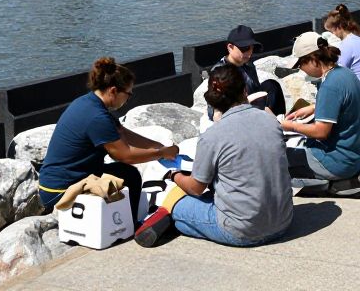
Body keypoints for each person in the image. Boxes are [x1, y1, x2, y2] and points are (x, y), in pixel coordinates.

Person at [134, 64, 293, 248]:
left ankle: (171, 218)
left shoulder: (213, 135)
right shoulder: (270, 120)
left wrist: (173, 175)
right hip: (283, 222)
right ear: (244, 90)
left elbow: (196, 188)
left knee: (176, 203)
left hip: (242, 231)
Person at [39, 57, 179, 225]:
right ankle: (131, 226)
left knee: (123, 172)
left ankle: (126, 221)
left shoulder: (89, 102)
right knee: (130, 175)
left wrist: (160, 147)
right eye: (128, 94)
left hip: (53, 182)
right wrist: (161, 154)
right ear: (113, 91)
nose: (128, 99)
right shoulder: (97, 117)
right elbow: (126, 156)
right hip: (59, 190)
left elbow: (124, 134)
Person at [280, 34, 360, 200]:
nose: (301, 69)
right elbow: (344, 103)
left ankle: (336, 186)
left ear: (313, 59)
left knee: (279, 160)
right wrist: (313, 108)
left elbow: (321, 132)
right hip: (355, 155)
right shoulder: (345, 74)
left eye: (301, 64)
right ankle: (347, 180)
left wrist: (289, 126)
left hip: (337, 162)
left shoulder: (329, 86)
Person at [209, 25, 286, 117]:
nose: (249, 53)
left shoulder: (248, 64)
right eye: (244, 48)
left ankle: (280, 117)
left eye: (251, 48)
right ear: (230, 47)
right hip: (234, 109)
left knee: (271, 85)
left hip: (252, 102)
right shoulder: (220, 71)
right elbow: (215, 106)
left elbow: (255, 88)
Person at [323, 4, 360, 117]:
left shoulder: (347, 45)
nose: (334, 35)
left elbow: (336, 78)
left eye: (332, 32)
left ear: (338, 27)